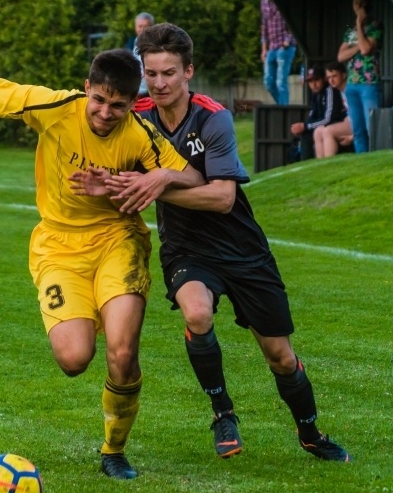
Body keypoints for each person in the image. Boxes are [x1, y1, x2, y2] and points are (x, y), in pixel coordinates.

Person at [0, 48, 204, 480]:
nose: (106, 113)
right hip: (58, 248)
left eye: (118, 106)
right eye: (99, 100)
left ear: (131, 103)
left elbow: (192, 176)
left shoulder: (140, 134)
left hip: (117, 241)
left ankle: (114, 450)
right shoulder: (54, 107)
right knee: (74, 358)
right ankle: (87, 321)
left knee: (122, 352)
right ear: (87, 88)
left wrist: (151, 178)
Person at [129, 23, 351, 462]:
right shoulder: (135, 117)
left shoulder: (213, 118)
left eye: (169, 73)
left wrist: (159, 182)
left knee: (280, 357)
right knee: (196, 313)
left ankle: (310, 433)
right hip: (186, 248)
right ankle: (223, 414)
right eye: (151, 73)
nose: (159, 83)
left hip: (242, 249)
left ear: (188, 71)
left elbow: (222, 198)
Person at [337, 0, 382, 154]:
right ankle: (361, 157)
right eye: (355, 3)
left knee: (371, 126)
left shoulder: (375, 26)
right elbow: (340, 56)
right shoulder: (350, 32)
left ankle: (375, 156)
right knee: (357, 128)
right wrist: (357, 46)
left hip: (369, 82)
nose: (357, 6)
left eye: (360, 3)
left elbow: (365, 49)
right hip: (352, 83)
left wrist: (359, 24)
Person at [260, 0, 296, 105]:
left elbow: (294, 21)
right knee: (268, 82)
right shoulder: (264, 2)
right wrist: (264, 49)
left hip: (285, 47)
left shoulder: (284, 0)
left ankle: (284, 108)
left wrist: (287, 41)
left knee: (281, 82)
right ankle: (281, 107)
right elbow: (264, 26)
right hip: (272, 47)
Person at [315, 62, 353, 158]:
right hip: (349, 121)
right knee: (318, 131)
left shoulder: (350, 89)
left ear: (344, 75)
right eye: (329, 77)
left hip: (355, 122)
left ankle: (329, 162)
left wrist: (352, 137)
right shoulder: (339, 91)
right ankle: (320, 164)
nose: (331, 80)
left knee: (328, 131)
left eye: (334, 76)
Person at [290, 66, 327, 160]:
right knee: (305, 134)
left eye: (316, 80)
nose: (314, 84)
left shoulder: (329, 91)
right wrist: (303, 127)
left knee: (313, 132)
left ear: (324, 79)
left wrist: (305, 126)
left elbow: (328, 119)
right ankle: (305, 162)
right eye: (310, 81)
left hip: (331, 125)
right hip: (320, 126)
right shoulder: (315, 95)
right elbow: (312, 115)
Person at [125, 12, 155, 98]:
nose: (142, 29)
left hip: (150, 90)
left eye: (145, 26)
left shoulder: (156, 44)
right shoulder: (131, 43)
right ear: (135, 27)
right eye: (140, 26)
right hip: (135, 90)